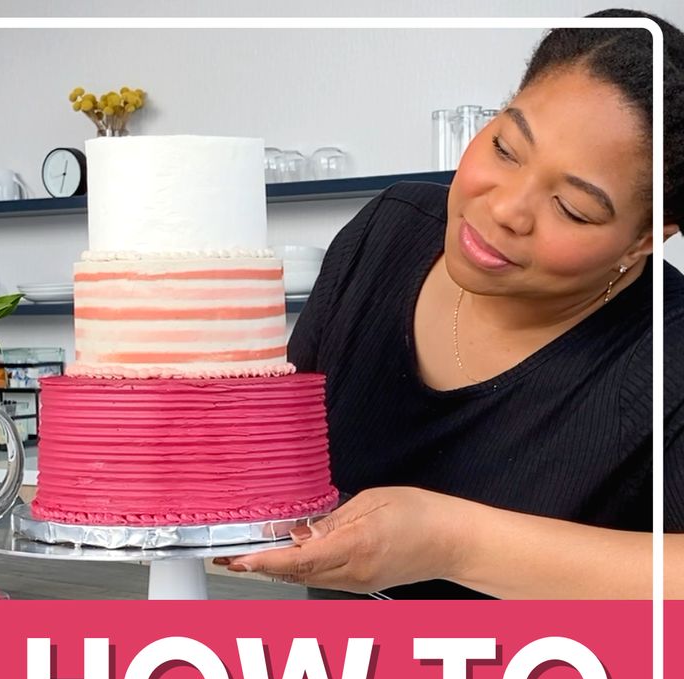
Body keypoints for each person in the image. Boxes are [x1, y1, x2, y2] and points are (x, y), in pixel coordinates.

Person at [218, 10, 684, 599]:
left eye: (572, 208)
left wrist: (452, 543)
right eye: (506, 149)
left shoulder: (667, 357)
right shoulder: (385, 233)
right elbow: (280, 442)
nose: (506, 210)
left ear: (646, 237)